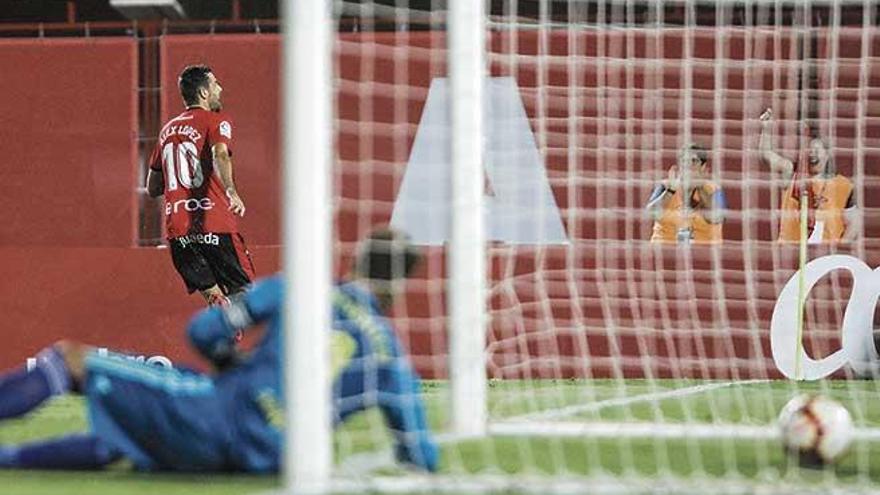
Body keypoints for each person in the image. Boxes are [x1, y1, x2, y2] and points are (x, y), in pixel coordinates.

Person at [0, 228, 439, 473]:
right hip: (272, 457)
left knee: (71, 359)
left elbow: (204, 331)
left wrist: (233, 361)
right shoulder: (392, 359)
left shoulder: (300, 290)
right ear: (396, 292)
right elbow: (422, 454)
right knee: (134, 439)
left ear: (357, 260)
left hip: (220, 417)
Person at [146, 64, 254, 306]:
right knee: (248, 296)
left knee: (217, 300)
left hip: (179, 234)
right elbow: (221, 154)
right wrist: (231, 191)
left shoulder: (166, 131)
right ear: (204, 93)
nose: (220, 88)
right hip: (215, 224)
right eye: (215, 83)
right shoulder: (215, 121)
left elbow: (152, 187)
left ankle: (225, 338)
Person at [759, 108, 858, 243]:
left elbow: (854, 222)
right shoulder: (792, 173)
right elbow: (766, 155)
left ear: (827, 154)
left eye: (817, 150)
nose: (812, 153)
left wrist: (840, 250)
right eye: (810, 150)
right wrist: (766, 129)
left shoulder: (844, 185)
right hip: (791, 251)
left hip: (825, 256)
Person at [646, 143, 727, 243]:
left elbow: (717, 218)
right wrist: (670, 191)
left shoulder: (714, 189)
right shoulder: (665, 186)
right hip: (665, 250)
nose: (688, 165)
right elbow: (650, 214)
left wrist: (700, 186)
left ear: (703, 167)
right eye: (684, 161)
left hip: (704, 252)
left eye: (694, 161)